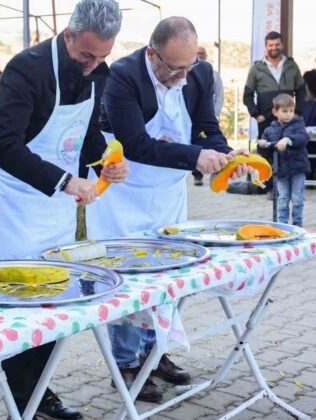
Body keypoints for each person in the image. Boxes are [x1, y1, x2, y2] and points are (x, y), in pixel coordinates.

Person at [0, 1, 127, 417]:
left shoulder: (100, 73)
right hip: (18, 205)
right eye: (86, 56)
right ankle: (21, 399)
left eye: (102, 57)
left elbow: (87, 131)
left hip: (57, 210)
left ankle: (40, 392)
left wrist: (107, 157)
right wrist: (62, 181)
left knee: (57, 301)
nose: (93, 65)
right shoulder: (28, 68)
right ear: (69, 35)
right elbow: (4, 144)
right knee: (22, 305)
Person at [86, 16, 251, 403]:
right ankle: (125, 364)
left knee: (170, 273)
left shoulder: (199, 73)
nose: (183, 76)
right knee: (130, 279)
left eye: (189, 66)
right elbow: (137, 143)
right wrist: (196, 156)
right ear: (151, 53)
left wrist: (224, 154)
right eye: (174, 68)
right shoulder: (123, 76)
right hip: (124, 191)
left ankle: (154, 352)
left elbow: (207, 127)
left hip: (167, 192)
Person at [244, 31, 305, 196]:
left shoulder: (292, 66)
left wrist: (298, 113)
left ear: (282, 45)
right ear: (266, 47)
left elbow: (300, 91)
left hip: (288, 117)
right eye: (271, 45)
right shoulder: (257, 68)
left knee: (287, 150)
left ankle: (283, 188)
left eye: (277, 44)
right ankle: (268, 185)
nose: (274, 47)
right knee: (266, 150)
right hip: (266, 117)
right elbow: (247, 95)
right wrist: (256, 114)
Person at [258, 94, 311, 226]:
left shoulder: (298, 125)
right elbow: (264, 153)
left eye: (291, 111)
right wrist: (262, 145)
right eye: (285, 111)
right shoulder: (269, 130)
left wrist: (289, 140)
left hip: (298, 169)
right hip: (280, 171)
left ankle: (298, 225)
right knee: (282, 198)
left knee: (297, 198)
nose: (288, 114)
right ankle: (283, 225)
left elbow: (303, 139)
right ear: (275, 111)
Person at [191, 46, 223, 185]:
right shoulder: (184, 71)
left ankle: (218, 168)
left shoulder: (211, 73)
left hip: (209, 117)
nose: (200, 55)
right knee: (195, 147)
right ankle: (197, 175)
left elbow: (219, 95)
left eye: (202, 53)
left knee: (211, 144)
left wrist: (214, 114)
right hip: (191, 119)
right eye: (197, 53)